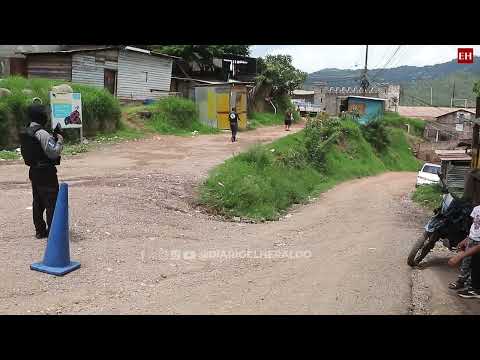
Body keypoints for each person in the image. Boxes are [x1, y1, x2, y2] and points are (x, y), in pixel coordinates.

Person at [20, 104, 64, 239]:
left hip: (34, 171)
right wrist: (60, 140)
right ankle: (53, 233)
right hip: (46, 172)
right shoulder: (42, 133)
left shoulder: (28, 130)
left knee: (38, 202)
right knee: (51, 202)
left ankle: (40, 230)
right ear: (40, 116)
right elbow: (53, 153)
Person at [448, 204, 480, 298]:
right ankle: (462, 281)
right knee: (467, 262)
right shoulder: (476, 209)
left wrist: (460, 256)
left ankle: (474, 288)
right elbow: (474, 226)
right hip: (472, 239)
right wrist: (466, 239)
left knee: (475, 264)